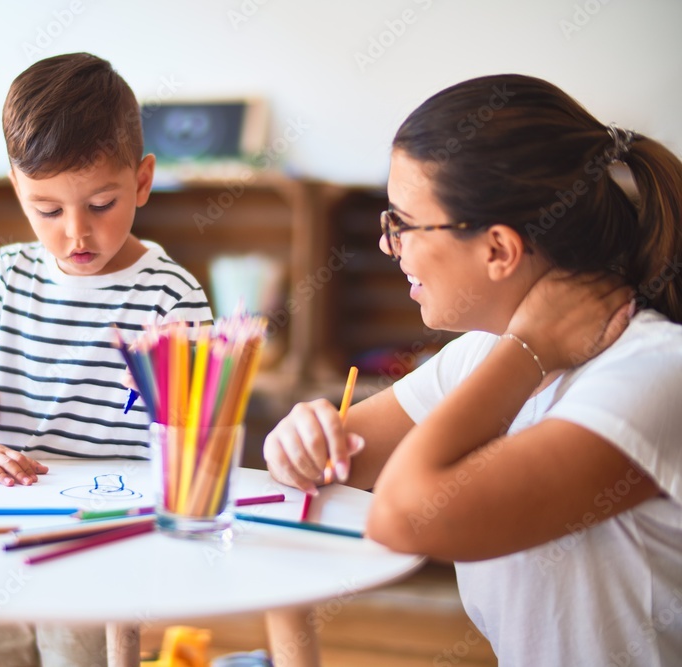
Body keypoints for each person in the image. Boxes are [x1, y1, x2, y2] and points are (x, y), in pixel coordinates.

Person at [264, 74, 682, 665]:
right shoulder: (486, 352)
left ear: (499, 250)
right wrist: (300, 438)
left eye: (403, 223)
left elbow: (402, 517)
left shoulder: (654, 374)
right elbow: (344, 462)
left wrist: (531, 348)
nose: (389, 245)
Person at [0, 52, 213, 667]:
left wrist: (167, 401)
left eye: (100, 205)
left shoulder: (172, 295)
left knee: (78, 654)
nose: (75, 234)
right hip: (5, 511)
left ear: (142, 181)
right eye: (47, 210)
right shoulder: (11, 272)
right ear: (18, 187)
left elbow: (193, 424)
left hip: (104, 526)